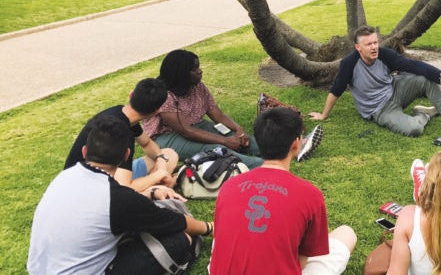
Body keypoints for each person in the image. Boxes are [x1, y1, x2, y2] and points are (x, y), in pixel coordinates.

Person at [28, 114, 212, 275]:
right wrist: (209, 227)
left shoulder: (64, 176)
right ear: (126, 156)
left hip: (40, 269)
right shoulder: (116, 197)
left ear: (85, 151)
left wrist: (152, 192)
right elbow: (174, 222)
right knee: (182, 239)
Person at [209, 107, 356, 275]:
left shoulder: (229, 186)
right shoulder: (310, 194)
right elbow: (303, 259)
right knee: (346, 234)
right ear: (296, 143)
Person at [309, 25, 441, 137]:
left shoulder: (384, 54)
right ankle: (425, 114)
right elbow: (336, 90)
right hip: (379, 109)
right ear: (358, 47)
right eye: (368, 44)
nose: (374, 47)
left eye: (375, 42)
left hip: (395, 89)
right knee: (414, 130)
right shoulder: (349, 63)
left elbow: (412, 65)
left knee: (426, 79)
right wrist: (323, 115)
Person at [142, 49, 264, 168]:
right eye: (194, 69)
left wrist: (238, 130)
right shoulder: (164, 95)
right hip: (167, 137)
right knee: (216, 149)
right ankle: (264, 167)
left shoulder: (198, 86)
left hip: (197, 125)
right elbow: (186, 131)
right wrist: (225, 141)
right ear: (181, 73)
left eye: (198, 67)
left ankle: (279, 153)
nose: (200, 71)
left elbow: (218, 116)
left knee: (233, 135)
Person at [63, 78, 179, 192]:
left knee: (169, 155)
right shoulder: (121, 132)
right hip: (90, 190)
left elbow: (147, 143)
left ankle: (158, 187)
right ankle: (159, 189)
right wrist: (158, 175)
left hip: (82, 179)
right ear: (157, 111)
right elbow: (125, 187)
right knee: (133, 190)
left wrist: (161, 159)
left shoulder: (121, 113)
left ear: (131, 95)